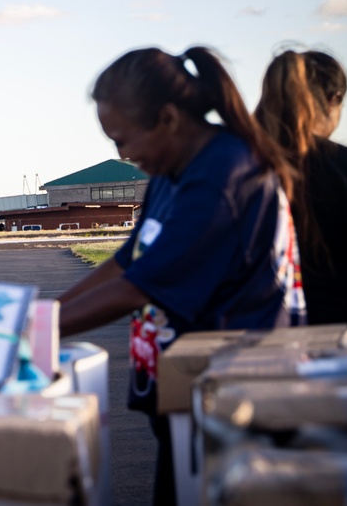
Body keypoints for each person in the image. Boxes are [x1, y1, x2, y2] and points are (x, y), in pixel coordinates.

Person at [57, 46, 305, 506]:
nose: (122, 154)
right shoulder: (174, 174)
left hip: (236, 399)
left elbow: (141, 284)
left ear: (168, 118)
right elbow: (129, 260)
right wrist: (46, 314)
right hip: (184, 387)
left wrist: (35, 331)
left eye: (122, 140)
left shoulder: (224, 173)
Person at [255, 49, 347, 324]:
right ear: (334, 100)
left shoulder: (240, 163)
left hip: (251, 337)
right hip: (332, 332)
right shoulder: (345, 165)